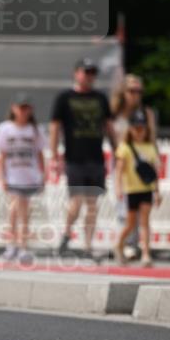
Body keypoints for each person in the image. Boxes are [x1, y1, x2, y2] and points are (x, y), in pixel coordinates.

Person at [50, 58, 117, 259]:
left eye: (92, 73)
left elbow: (109, 126)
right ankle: (66, 235)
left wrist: (117, 149)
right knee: (76, 202)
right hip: (74, 157)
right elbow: (54, 127)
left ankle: (88, 246)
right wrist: (55, 156)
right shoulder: (64, 97)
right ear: (76, 73)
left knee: (92, 205)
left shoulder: (100, 98)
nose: (89, 76)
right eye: (85, 72)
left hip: (95, 158)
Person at [0, 92, 46, 263]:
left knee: (24, 210)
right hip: (13, 174)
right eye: (20, 108)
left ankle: (22, 245)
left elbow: (40, 154)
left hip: (29, 175)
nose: (23, 112)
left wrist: (42, 175)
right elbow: (1, 154)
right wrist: (3, 176)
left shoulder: (35, 130)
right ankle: (13, 244)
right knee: (15, 208)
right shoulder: (5, 129)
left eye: (26, 108)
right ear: (13, 109)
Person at [110, 73, 157, 259]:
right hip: (123, 161)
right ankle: (127, 243)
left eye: (138, 91)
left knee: (142, 209)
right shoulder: (116, 114)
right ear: (123, 92)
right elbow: (113, 140)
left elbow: (151, 139)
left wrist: (153, 161)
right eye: (131, 91)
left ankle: (135, 244)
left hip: (141, 163)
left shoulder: (146, 113)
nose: (135, 95)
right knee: (125, 208)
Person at [113, 109, 160, 267]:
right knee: (131, 224)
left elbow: (154, 172)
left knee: (145, 222)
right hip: (131, 190)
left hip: (146, 189)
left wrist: (157, 191)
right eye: (136, 128)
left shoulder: (150, 148)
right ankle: (119, 244)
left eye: (142, 128)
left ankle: (146, 254)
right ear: (131, 129)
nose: (139, 131)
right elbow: (119, 170)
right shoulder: (125, 148)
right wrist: (118, 188)